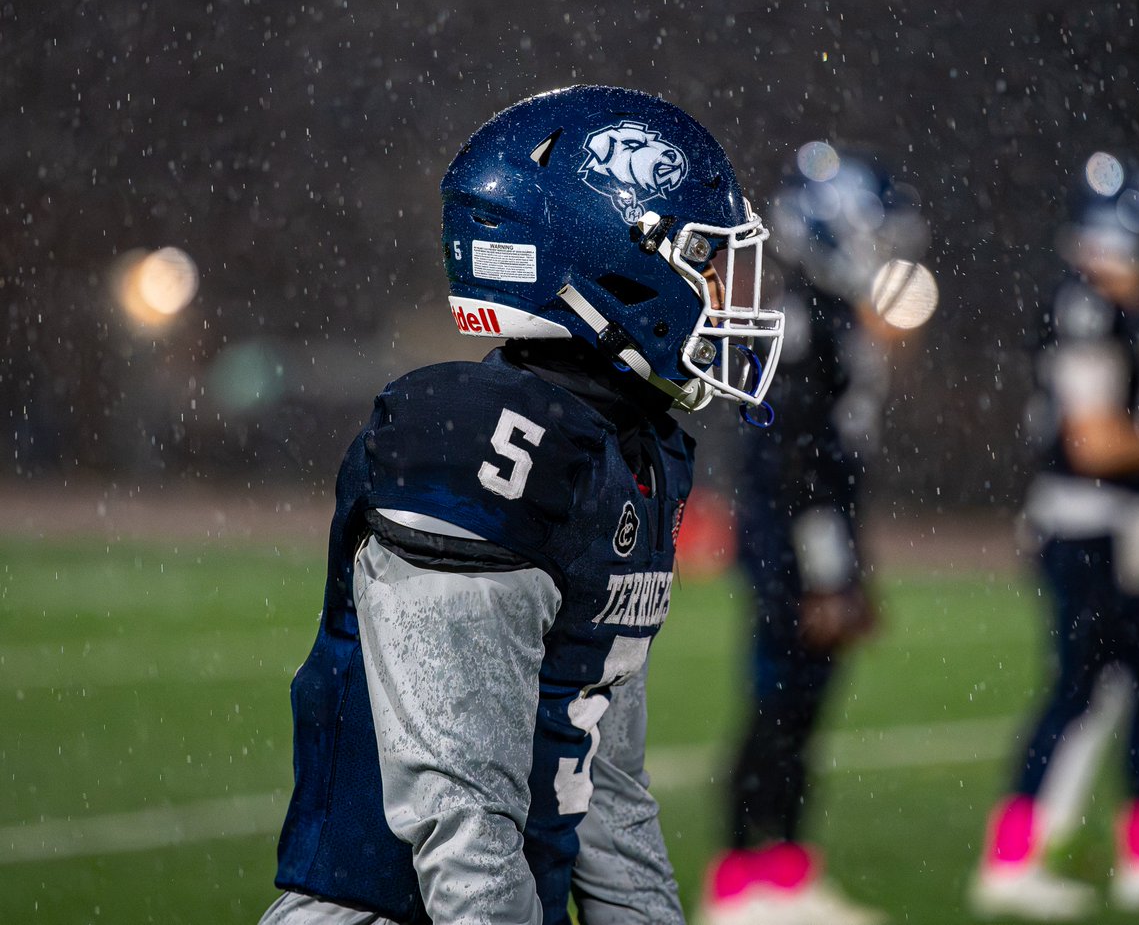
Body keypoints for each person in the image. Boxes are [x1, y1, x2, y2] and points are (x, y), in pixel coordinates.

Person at [257, 85, 786, 925]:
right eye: (707, 263)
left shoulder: (633, 452)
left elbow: (608, 796)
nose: (730, 296)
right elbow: (459, 817)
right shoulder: (478, 445)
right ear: (618, 260)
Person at [697, 142, 931, 925]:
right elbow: (797, 469)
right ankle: (740, 876)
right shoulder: (807, 320)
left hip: (803, 540)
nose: (886, 255)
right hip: (789, 546)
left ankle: (785, 871)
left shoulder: (829, 318)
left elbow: (825, 472)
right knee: (778, 706)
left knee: (798, 710)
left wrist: (848, 569)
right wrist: (829, 574)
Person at [969, 151, 1139, 919]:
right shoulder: (1088, 309)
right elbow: (1096, 444)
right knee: (1078, 687)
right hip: (1089, 529)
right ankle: (1012, 858)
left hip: (1137, 527)